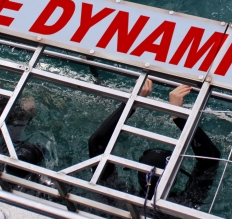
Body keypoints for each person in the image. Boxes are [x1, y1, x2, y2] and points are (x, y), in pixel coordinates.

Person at [88, 80, 220, 211]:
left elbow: (97, 142)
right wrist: (179, 116)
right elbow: (211, 159)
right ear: (174, 176)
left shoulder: (116, 198)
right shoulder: (184, 205)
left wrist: (132, 103)